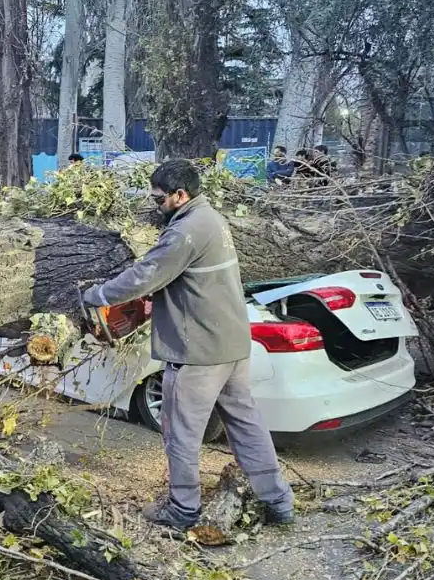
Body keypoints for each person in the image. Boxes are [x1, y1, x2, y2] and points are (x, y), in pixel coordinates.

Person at [81, 159, 294, 531]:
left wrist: (96, 294)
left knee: (180, 433)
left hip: (197, 352)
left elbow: (144, 275)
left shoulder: (186, 231)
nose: (155, 206)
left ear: (181, 195)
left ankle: (182, 509)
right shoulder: (211, 218)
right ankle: (278, 501)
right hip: (231, 345)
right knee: (247, 426)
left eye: (159, 200)